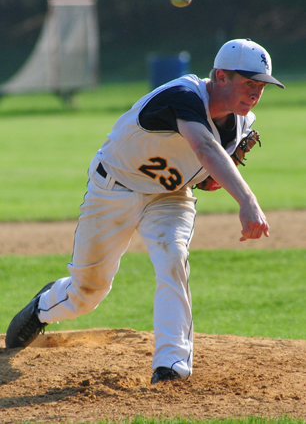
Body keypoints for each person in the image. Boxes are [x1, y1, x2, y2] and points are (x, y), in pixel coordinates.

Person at [6, 38, 284, 384]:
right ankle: (43, 307)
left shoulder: (241, 124)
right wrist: (248, 201)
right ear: (221, 76)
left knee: (172, 258)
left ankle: (171, 367)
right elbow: (203, 146)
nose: (256, 93)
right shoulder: (183, 95)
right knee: (88, 292)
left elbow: (203, 166)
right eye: (249, 83)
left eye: (261, 86)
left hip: (170, 198)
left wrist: (206, 177)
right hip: (114, 189)